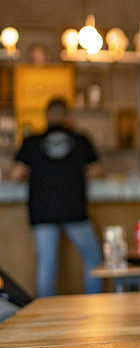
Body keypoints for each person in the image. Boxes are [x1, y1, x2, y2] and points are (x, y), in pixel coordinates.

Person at [11, 98, 103, 296]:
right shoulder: (80, 140)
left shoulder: (31, 141)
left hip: (43, 210)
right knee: (94, 259)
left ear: (46, 116)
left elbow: (16, 174)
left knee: (47, 264)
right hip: (74, 209)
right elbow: (96, 171)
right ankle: (96, 305)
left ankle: (45, 312)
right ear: (67, 117)